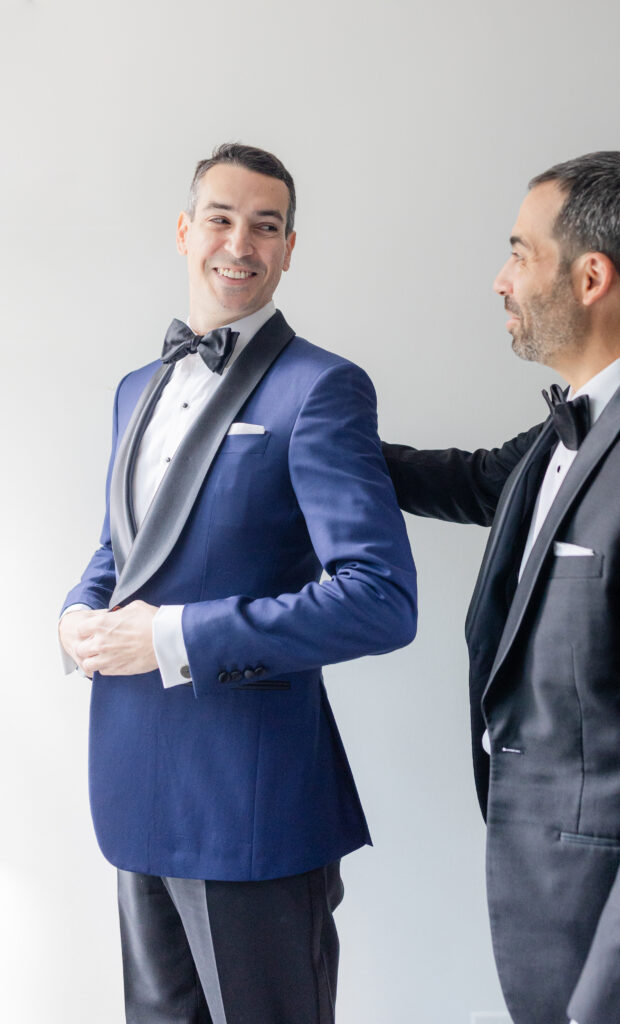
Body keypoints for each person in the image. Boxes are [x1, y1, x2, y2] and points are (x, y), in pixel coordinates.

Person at [384, 151, 620, 1024]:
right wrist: (323, 450)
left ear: (591, 276)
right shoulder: (593, 413)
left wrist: (617, 1003)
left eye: (520, 252)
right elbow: (484, 480)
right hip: (554, 912)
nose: (500, 279)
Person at [59, 142, 417, 1024]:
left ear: (291, 247)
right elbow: (124, 546)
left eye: (266, 226)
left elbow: (379, 597)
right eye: (221, 219)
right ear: (185, 231)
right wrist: (76, 611)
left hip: (249, 803)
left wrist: (176, 636)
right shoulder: (134, 388)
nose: (240, 243)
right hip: (132, 781)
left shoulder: (322, 389)